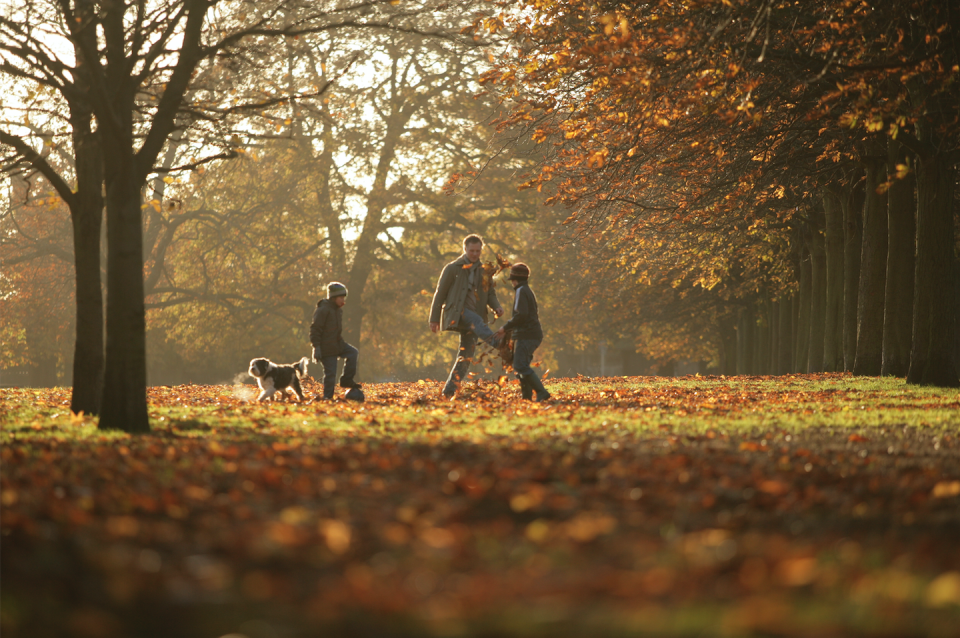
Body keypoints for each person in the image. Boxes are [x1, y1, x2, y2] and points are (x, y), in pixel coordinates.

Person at [429, 234, 504, 397]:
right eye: (472, 251)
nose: (475, 254)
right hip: (458, 312)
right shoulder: (452, 268)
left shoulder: (485, 270)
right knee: (476, 320)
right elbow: (440, 293)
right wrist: (434, 319)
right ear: (465, 249)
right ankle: (500, 344)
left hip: (475, 316)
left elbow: (490, 293)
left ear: (481, 250)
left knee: (466, 356)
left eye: (478, 251)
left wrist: (496, 306)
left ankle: (449, 390)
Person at [494, 263, 550, 402]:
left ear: (514, 279)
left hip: (527, 334)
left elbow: (521, 315)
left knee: (519, 366)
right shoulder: (526, 290)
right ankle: (526, 398)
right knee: (521, 366)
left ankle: (541, 392)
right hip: (530, 334)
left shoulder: (520, 291)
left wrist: (505, 328)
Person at [310, 282, 361, 400]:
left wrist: (340, 343)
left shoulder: (337, 310)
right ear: (333, 298)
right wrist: (316, 347)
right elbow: (315, 329)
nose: (343, 301)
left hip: (338, 344)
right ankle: (327, 397)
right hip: (326, 348)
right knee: (331, 374)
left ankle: (346, 380)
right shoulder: (323, 310)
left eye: (344, 298)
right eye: (341, 298)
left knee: (353, 352)